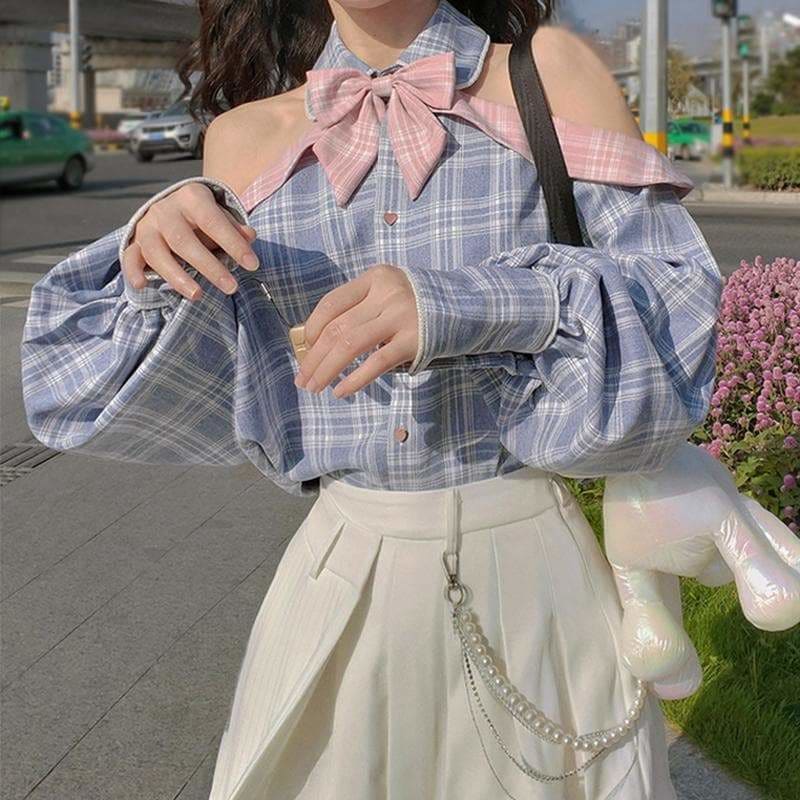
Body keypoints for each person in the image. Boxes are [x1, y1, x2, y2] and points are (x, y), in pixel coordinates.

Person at [20, 1, 725, 798]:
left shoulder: (547, 74)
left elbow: (676, 320)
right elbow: (162, 394)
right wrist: (153, 259)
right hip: (338, 574)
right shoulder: (244, 137)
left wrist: (469, 304)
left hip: (532, 570)